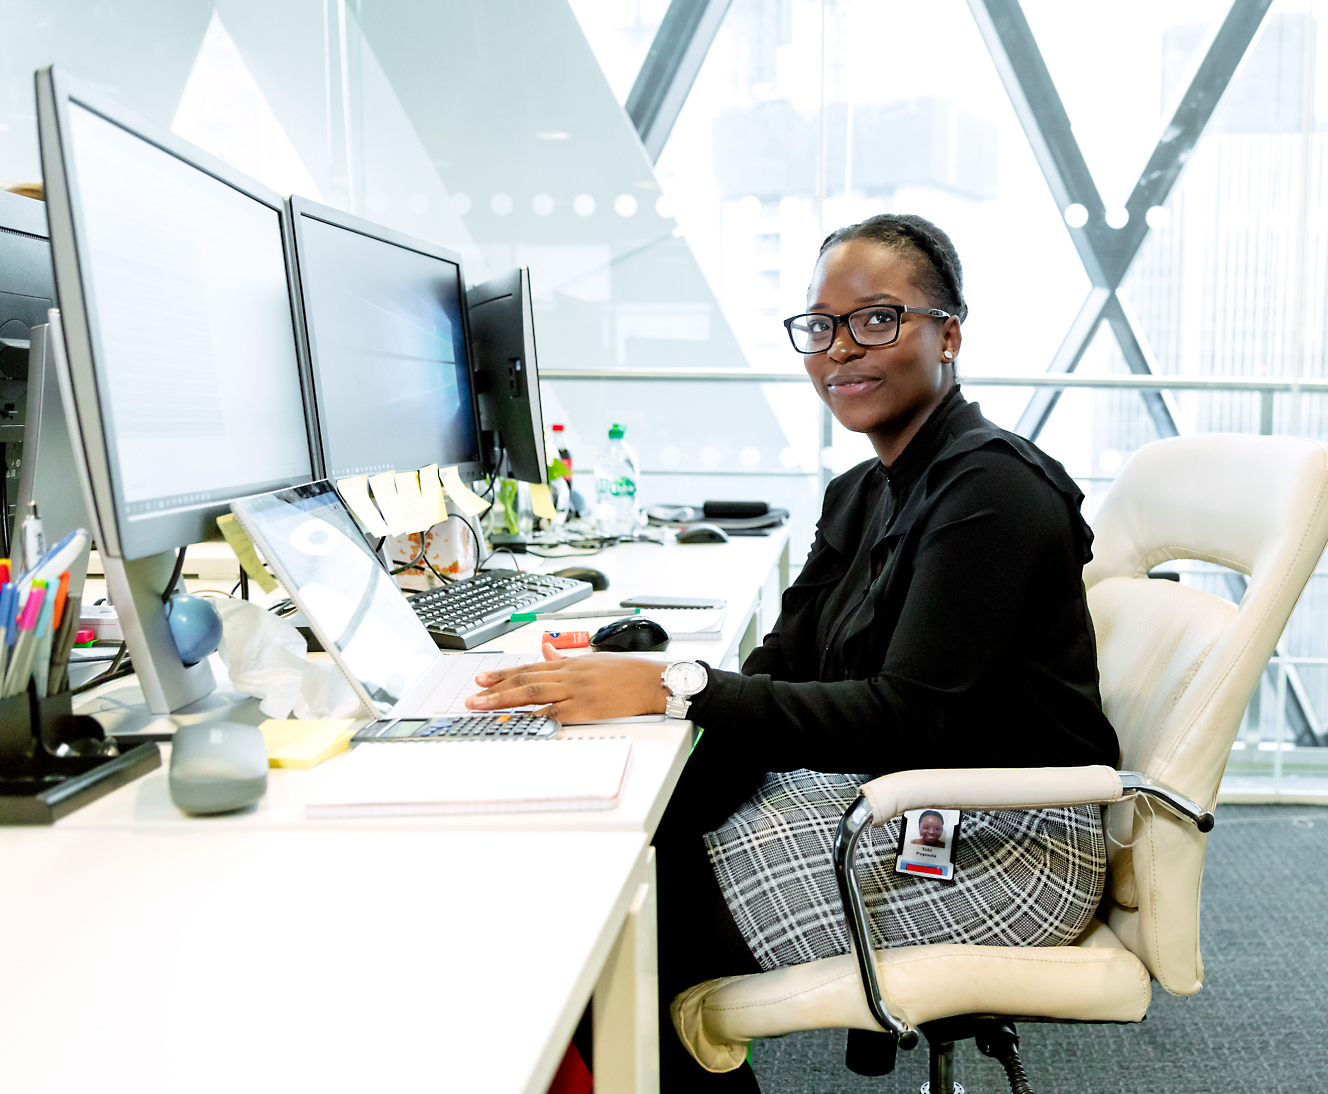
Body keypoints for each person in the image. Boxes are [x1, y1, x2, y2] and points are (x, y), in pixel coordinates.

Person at [466, 213, 1120, 1092]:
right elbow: (786, 662)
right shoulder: (864, 490)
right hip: (906, 799)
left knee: (629, 922)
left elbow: (906, 720)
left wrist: (669, 686)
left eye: (878, 319)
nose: (842, 349)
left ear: (949, 333)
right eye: (821, 327)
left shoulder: (990, 490)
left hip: (1002, 841)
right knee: (634, 843)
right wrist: (647, 718)